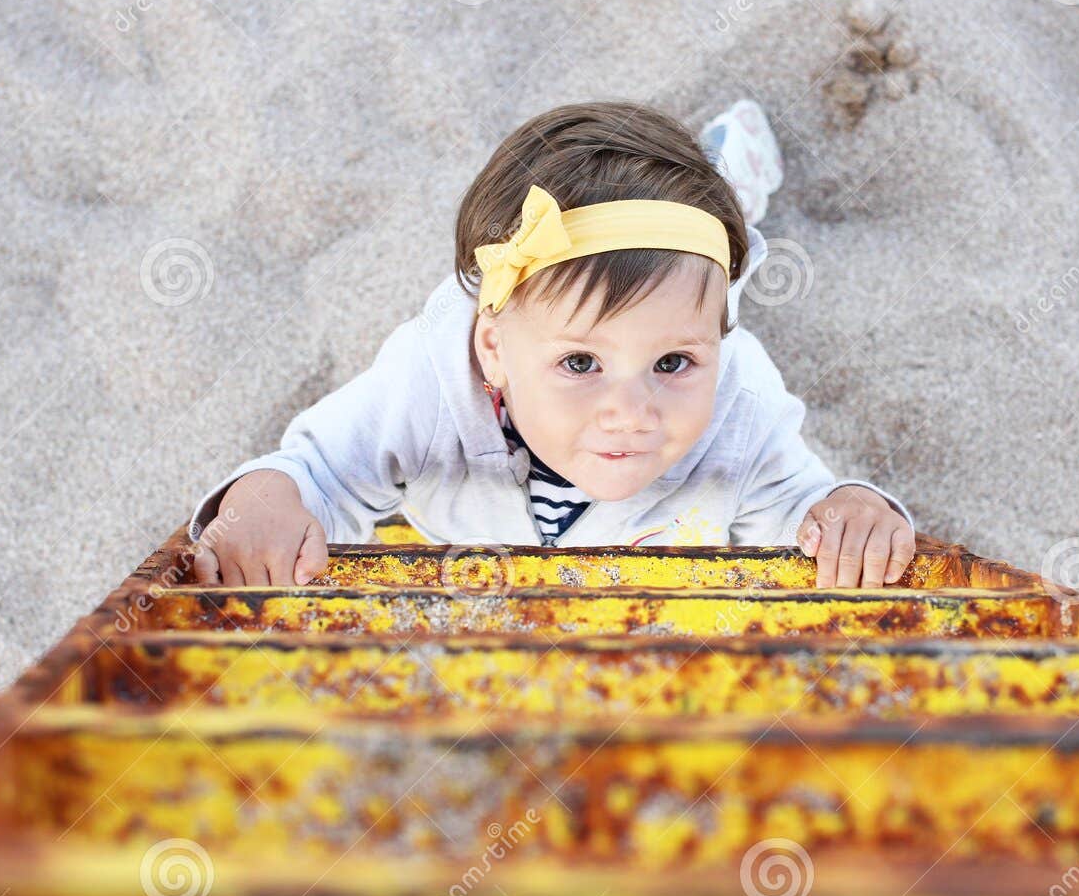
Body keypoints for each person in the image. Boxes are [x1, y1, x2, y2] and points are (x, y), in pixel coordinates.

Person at [187, 99, 915, 588]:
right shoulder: (428, 385)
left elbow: (794, 501)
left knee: (693, 277)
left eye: (671, 364)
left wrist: (843, 511)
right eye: (579, 362)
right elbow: (323, 468)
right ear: (495, 347)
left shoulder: (736, 395)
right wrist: (269, 498)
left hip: (689, 295)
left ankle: (730, 179)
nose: (630, 412)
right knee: (657, 297)